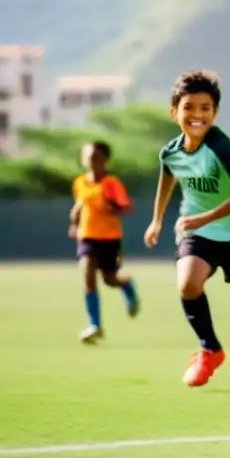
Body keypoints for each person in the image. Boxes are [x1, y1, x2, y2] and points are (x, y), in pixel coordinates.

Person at [143, 70, 230, 390]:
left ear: (215, 113)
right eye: (189, 107)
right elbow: (167, 177)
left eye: (205, 108)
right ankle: (211, 350)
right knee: (187, 284)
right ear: (174, 112)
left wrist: (203, 218)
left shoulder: (221, 147)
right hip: (199, 234)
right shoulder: (171, 152)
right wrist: (157, 220)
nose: (197, 115)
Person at [69, 140, 139, 344]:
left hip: (109, 239)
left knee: (110, 279)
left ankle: (127, 285)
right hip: (87, 237)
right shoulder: (80, 182)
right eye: (87, 156)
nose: (90, 161)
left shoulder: (111, 184)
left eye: (94, 157)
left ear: (104, 160)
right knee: (87, 275)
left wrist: (111, 206)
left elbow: (125, 207)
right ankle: (95, 325)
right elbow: (80, 205)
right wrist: (74, 222)